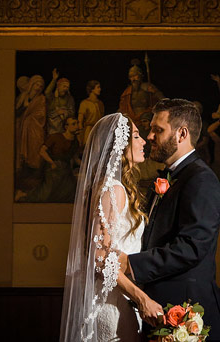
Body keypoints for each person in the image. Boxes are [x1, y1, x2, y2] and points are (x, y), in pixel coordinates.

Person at [123, 99, 220, 341]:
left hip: (187, 312)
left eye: (158, 130)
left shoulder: (201, 179)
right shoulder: (170, 177)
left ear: (182, 134)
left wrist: (131, 264)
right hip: (157, 308)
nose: (149, 136)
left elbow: (192, 247)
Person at [59, 112, 163, 342]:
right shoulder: (112, 189)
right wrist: (141, 298)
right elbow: (99, 259)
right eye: (136, 136)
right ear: (120, 144)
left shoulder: (103, 186)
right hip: (112, 304)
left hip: (115, 297)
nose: (144, 140)